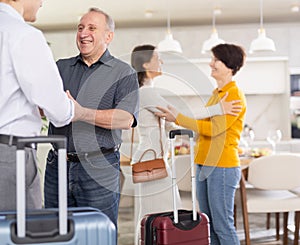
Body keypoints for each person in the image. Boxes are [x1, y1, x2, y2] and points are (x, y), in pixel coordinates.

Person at [131, 44, 243, 245]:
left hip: (221, 164)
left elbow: (211, 128)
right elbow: (181, 115)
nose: (210, 63)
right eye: (158, 58)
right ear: (146, 64)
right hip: (166, 161)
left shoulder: (232, 95)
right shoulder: (147, 93)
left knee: (218, 224)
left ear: (229, 65)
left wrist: (180, 123)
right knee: (163, 214)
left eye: (215, 60)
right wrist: (216, 109)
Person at [44, 7, 139, 229]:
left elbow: (125, 119)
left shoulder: (123, 73)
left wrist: (80, 112)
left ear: (108, 36)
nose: (83, 33)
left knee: (98, 233)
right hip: (57, 166)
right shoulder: (60, 68)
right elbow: (44, 107)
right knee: (55, 234)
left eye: (92, 28)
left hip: (100, 167)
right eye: (80, 28)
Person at [0, 0, 84, 211]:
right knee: (18, 233)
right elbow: (56, 108)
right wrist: (73, 109)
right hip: (9, 155)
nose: (41, 3)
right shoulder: (22, 34)